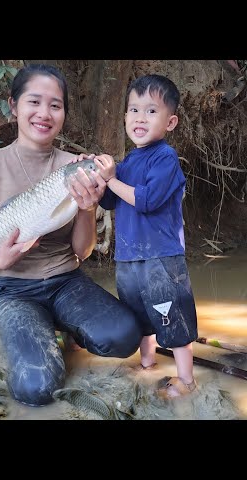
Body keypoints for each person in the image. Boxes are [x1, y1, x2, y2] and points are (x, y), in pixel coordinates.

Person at [0, 64, 143, 406]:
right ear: (14, 106)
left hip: (65, 280)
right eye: (34, 102)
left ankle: (64, 325)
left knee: (125, 336)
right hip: (12, 289)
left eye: (55, 105)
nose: (44, 113)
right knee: (35, 389)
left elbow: (82, 252)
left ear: (64, 113)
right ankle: (32, 326)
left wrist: (87, 207)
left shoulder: (75, 166)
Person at [96, 74, 198, 399]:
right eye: (133, 109)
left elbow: (146, 199)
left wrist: (111, 180)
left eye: (151, 111)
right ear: (125, 116)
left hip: (161, 258)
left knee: (173, 318)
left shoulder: (165, 157)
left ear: (170, 122)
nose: (140, 117)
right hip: (127, 259)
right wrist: (99, 179)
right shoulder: (125, 165)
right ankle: (148, 363)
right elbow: (109, 200)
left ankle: (187, 379)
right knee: (141, 317)